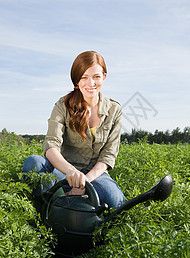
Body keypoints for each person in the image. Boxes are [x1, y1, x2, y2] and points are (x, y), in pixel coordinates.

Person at [22, 51, 125, 208]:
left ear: (104, 76)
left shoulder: (114, 109)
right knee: (33, 163)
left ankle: (70, 199)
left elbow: (107, 157)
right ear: (76, 80)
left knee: (115, 199)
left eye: (96, 76)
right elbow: (51, 145)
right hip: (63, 172)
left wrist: (85, 182)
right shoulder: (62, 105)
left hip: (94, 176)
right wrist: (71, 172)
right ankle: (47, 206)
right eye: (84, 77)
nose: (91, 83)